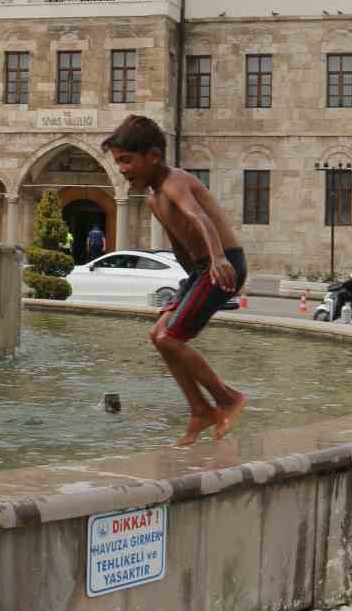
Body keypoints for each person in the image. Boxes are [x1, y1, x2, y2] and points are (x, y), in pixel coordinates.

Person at [101, 115, 248, 445]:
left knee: (170, 337)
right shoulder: (155, 199)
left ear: (153, 156)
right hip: (200, 271)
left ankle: (227, 399)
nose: (122, 169)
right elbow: (181, 246)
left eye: (127, 160)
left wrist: (218, 258)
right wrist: (185, 290)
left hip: (223, 263)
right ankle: (199, 410)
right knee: (158, 334)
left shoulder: (174, 181)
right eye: (118, 162)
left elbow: (200, 218)